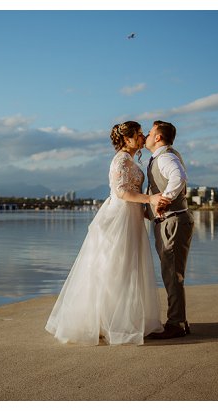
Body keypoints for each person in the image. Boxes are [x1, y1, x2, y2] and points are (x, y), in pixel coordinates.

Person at [45, 121, 168, 345]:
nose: (142, 138)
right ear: (126, 139)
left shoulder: (130, 159)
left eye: (142, 134)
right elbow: (121, 192)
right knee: (114, 267)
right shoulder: (120, 160)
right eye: (138, 135)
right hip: (119, 218)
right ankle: (108, 322)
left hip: (131, 217)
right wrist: (149, 199)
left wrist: (147, 209)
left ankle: (123, 319)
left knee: (128, 267)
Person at [143, 120, 194, 339]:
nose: (146, 134)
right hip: (171, 221)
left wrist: (165, 200)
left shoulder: (165, 157)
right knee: (171, 273)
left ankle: (176, 324)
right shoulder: (162, 156)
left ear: (158, 138)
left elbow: (179, 178)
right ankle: (178, 319)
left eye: (150, 132)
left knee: (173, 275)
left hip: (172, 221)